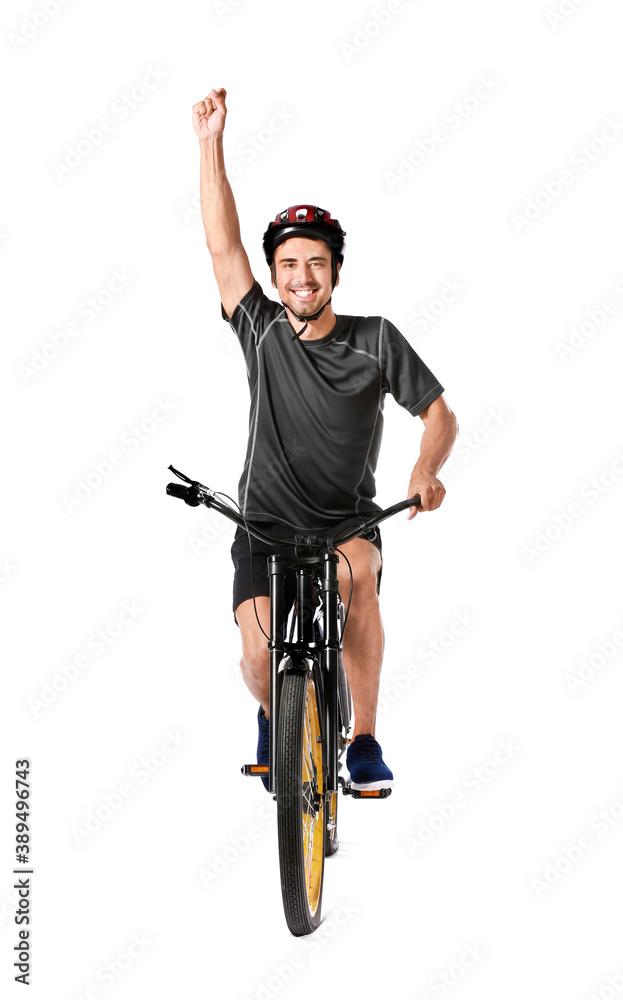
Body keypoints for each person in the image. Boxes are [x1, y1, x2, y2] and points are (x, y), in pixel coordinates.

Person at [192, 88, 459, 792]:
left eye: (314, 263)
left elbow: (438, 414)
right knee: (256, 657)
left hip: (345, 522)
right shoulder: (261, 328)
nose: (300, 276)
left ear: (333, 270)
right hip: (262, 525)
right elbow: (221, 243)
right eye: (287, 265)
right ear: (275, 275)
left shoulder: (374, 339)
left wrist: (423, 470)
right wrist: (210, 142)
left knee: (359, 579)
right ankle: (271, 708)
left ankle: (363, 737)